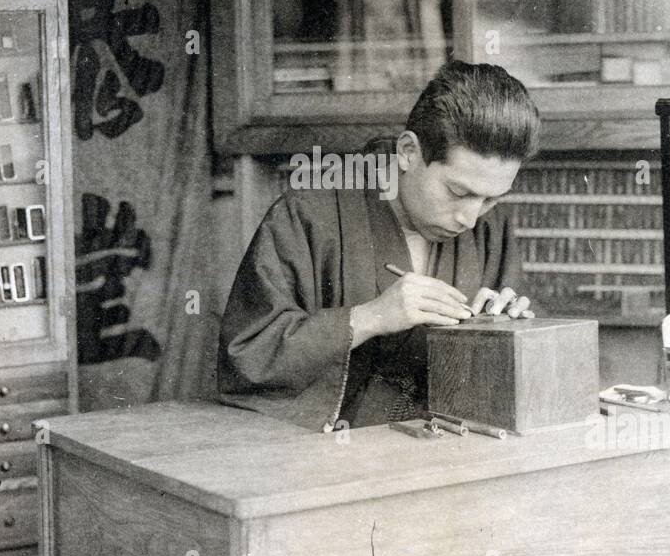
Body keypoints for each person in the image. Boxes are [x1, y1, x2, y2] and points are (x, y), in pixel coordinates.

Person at [217, 60, 541, 431]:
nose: (469, 218)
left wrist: (505, 329)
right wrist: (370, 318)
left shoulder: (488, 226)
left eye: (490, 199)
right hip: (323, 456)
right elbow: (248, 352)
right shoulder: (310, 211)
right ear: (408, 152)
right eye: (458, 191)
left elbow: (509, 378)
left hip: (449, 447)